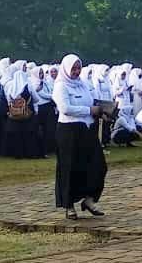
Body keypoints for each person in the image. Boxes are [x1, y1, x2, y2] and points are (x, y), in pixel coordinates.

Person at [53, 54, 107, 221]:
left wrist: (101, 112)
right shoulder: (61, 86)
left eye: (78, 68)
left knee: (98, 165)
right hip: (69, 131)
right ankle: (69, 205)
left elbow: (90, 102)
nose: (76, 72)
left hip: (86, 129)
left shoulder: (82, 84)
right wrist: (89, 110)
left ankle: (89, 199)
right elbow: (65, 108)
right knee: (70, 168)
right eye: (73, 69)